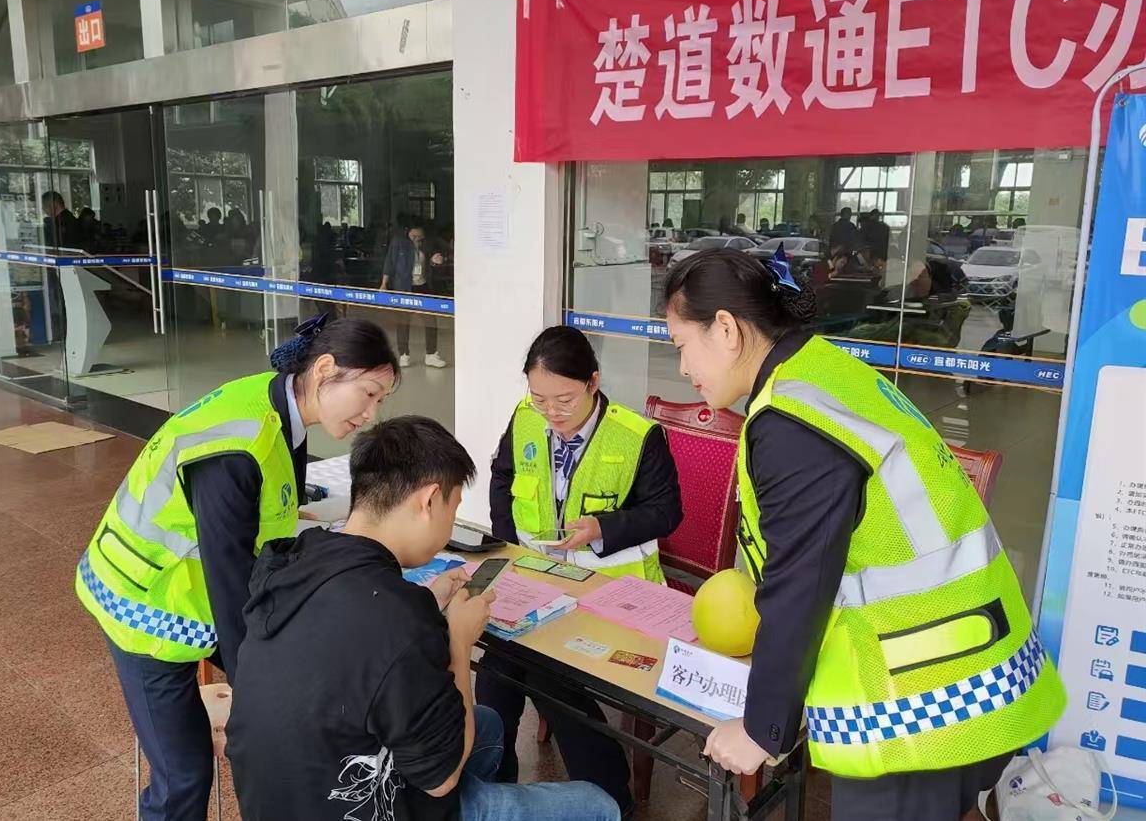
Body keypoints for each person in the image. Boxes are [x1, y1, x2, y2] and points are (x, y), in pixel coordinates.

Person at [662, 248, 1066, 821]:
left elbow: (802, 582)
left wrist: (762, 727)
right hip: (975, 661)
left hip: (919, 697)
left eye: (681, 344)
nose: (682, 367)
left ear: (725, 329)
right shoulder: (821, 370)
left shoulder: (791, 420)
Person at [75, 316, 399, 821]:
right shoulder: (240, 446)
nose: (372, 413)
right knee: (182, 777)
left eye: (381, 400)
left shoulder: (280, 404)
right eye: (369, 393)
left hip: (186, 595)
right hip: (143, 606)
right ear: (324, 370)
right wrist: (259, 695)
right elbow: (230, 587)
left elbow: (263, 527)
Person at [226, 416, 620, 821]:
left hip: (278, 798)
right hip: (360, 806)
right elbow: (441, 778)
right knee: (597, 805)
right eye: (454, 508)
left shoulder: (297, 561)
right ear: (430, 501)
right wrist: (459, 640)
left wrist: (426, 604)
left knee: (486, 725)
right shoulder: (399, 617)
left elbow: (356, 639)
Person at [478, 325, 683, 811]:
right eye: (539, 399)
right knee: (499, 663)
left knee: (535, 669)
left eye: (564, 400)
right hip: (536, 580)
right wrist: (509, 547)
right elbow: (502, 477)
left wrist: (603, 527)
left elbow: (666, 512)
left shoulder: (637, 436)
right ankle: (499, 782)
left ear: (593, 382)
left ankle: (608, 795)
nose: (551, 412)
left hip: (609, 593)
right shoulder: (526, 418)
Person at [381, 223, 448, 368]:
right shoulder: (398, 242)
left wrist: (436, 262)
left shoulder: (427, 244)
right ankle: (404, 355)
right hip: (404, 287)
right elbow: (389, 263)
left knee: (430, 320)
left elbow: (433, 263)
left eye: (419, 237)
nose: (416, 239)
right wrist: (384, 284)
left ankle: (431, 355)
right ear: (408, 233)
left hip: (423, 286)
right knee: (403, 321)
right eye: (413, 236)